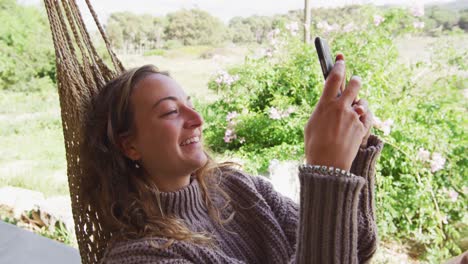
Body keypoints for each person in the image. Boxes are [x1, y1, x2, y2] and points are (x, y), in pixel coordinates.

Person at [82, 53, 384, 264]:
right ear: (130, 146)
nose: (198, 119)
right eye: (171, 112)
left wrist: (355, 150)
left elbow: (356, 245)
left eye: (190, 104)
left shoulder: (238, 188)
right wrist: (326, 170)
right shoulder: (139, 256)